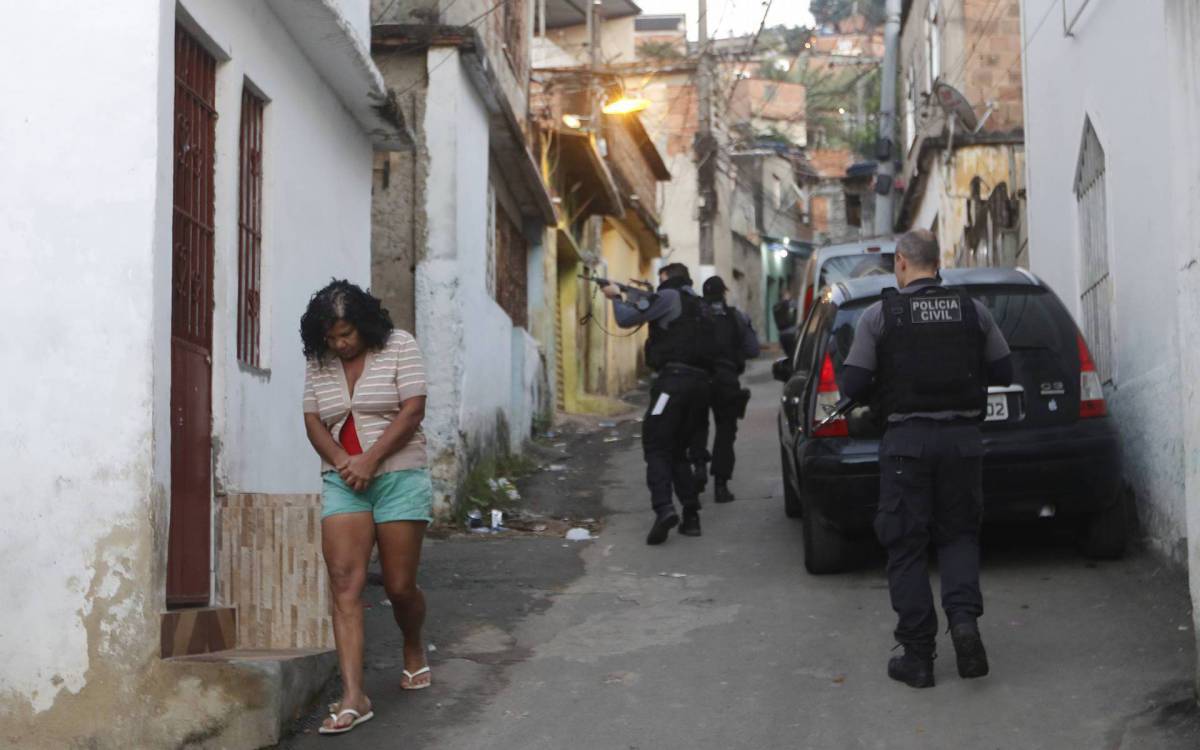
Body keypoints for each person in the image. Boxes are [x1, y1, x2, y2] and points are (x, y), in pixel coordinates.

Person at [836, 229, 1013, 689]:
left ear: (900, 263)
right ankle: (965, 625)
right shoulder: (972, 311)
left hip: (907, 444)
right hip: (962, 442)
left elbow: (853, 387)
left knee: (906, 544)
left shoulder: (880, 316)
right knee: (958, 537)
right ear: (938, 264)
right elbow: (1004, 370)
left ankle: (918, 657)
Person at [300, 280, 434, 735]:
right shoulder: (319, 361)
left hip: (398, 475)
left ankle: (413, 645)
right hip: (343, 482)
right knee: (345, 585)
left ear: (365, 326)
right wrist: (342, 462)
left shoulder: (400, 346)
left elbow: (413, 410)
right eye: (331, 337)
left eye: (347, 335)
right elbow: (313, 419)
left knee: (399, 586)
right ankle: (354, 695)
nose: (339, 344)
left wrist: (370, 460)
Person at [603, 263, 713, 544]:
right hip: (701, 387)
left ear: (667, 278)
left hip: (672, 384)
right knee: (678, 451)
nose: (658, 283)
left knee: (656, 445)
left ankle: (664, 509)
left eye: (660, 279)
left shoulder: (669, 296)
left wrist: (616, 296)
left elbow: (626, 319)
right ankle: (692, 516)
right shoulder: (699, 304)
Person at [689, 276, 760, 504]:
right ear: (724, 293)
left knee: (698, 426)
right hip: (727, 379)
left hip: (698, 379)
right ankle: (721, 486)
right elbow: (752, 349)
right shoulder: (736, 316)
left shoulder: (694, 315)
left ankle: (699, 466)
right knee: (725, 432)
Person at [773, 288, 800, 359]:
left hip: (782, 335)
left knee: (789, 355)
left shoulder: (776, 306)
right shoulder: (792, 304)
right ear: (788, 294)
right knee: (794, 356)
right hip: (792, 333)